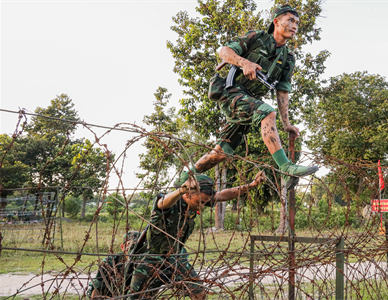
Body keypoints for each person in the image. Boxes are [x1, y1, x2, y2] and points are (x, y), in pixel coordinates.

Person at [196, 4, 318, 191]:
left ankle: (185, 177)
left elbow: (283, 92)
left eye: (297, 23)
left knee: (220, 153)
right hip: (231, 92)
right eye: (290, 20)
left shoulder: (288, 58)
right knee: (267, 113)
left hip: (249, 103)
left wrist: (287, 124)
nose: (295, 26)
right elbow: (224, 51)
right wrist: (244, 62)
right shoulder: (257, 37)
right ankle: (285, 167)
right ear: (276, 22)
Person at [127, 171, 267, 299]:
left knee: (199, 293)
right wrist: (180, 191)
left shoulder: (200, 199)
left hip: (176, 257)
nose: (202, 206)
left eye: (205, 202)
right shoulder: (171, 202)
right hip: (152, 257)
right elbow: (161, 203)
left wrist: (252, 185)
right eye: (199, 202)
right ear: (187, 195)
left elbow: (225, 194)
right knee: (138, 296)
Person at [88, 230, 143, 298]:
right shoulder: (111, 261)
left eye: (139, 246)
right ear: (123, 247)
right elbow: (97, 286)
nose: (135, 249)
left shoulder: (145, 262)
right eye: (131, 245)